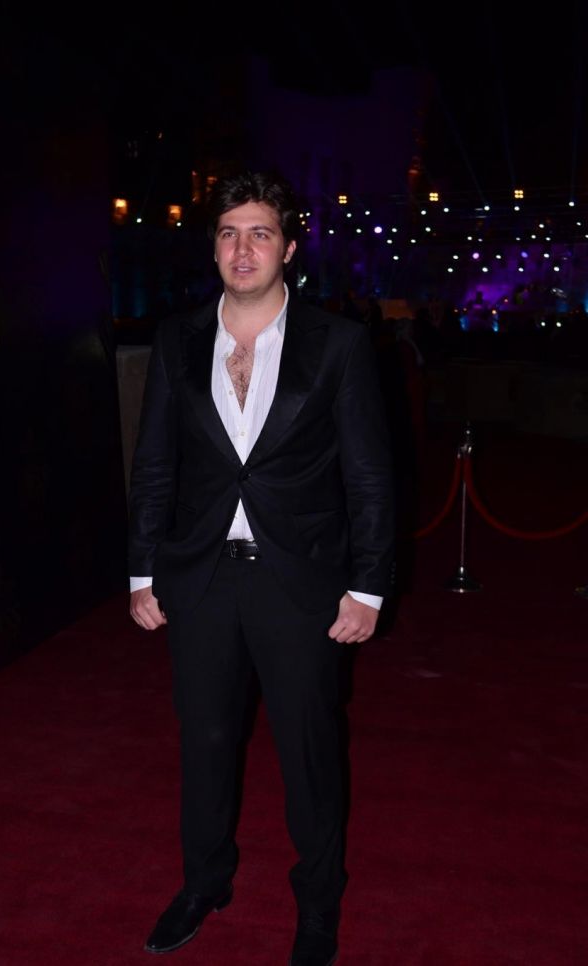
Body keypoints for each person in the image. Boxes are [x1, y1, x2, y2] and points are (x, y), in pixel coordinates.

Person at [128, 169, 396, 965]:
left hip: (301, 582)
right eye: (228, 233)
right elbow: (154, 463)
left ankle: (317, 905)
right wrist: (143, 571)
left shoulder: (337, 343)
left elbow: (369, 475)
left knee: (308, 752)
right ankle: (204, 882)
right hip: (201, 578)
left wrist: (368, 585)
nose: (242, 249)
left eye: (260, 233)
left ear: (288, 247)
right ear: (213, 246)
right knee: (205, 744)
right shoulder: (178, 340)